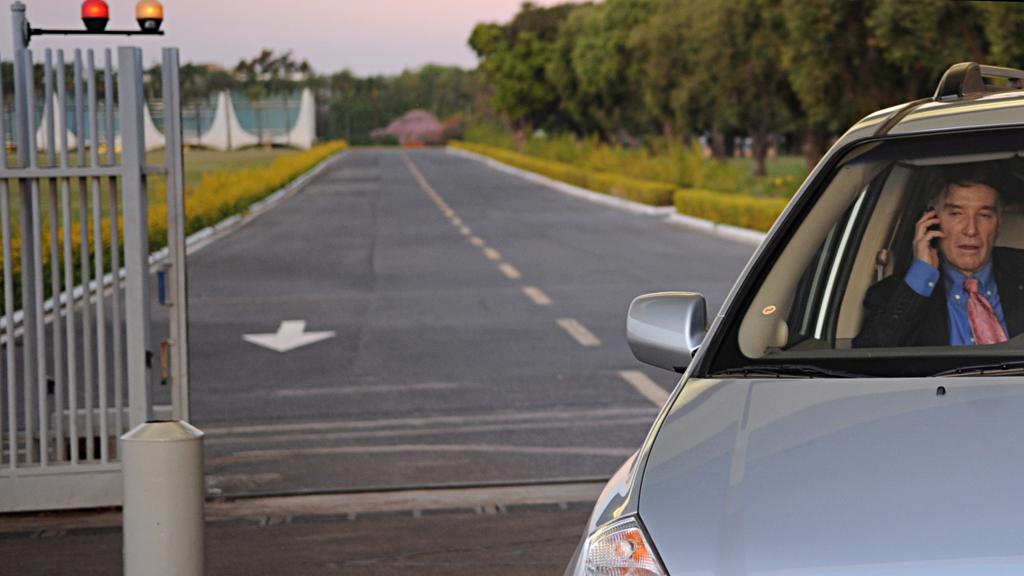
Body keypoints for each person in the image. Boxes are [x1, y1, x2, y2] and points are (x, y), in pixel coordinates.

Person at [855, 165, 1024, 347]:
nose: (970, 230)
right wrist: (921, 276)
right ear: (932, 220)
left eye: (984, 215)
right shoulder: (893, 294)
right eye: (956, 214)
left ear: (998, 223)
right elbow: (869, 357)